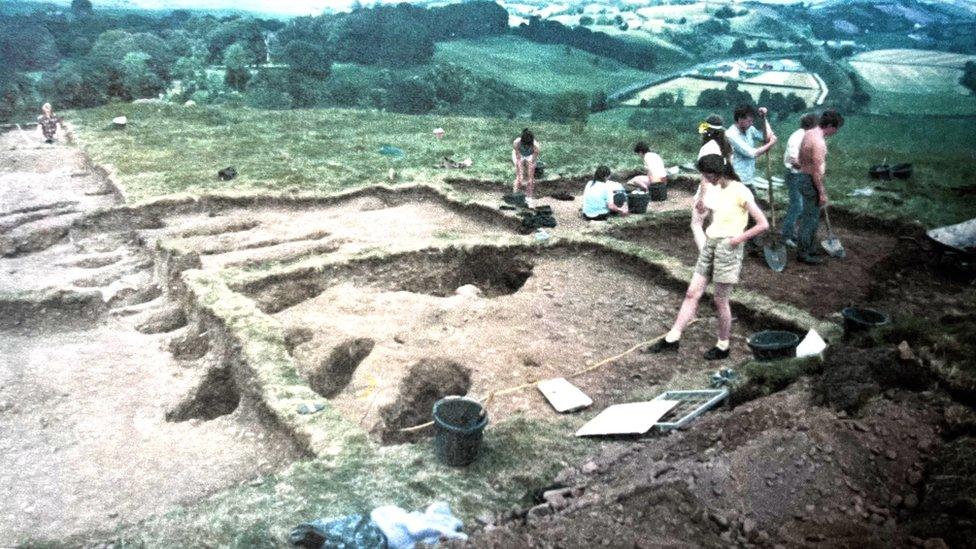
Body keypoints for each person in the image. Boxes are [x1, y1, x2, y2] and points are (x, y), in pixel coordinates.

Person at [647, 154, 769, 360]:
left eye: (707, 175)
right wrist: (704, 207)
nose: (706, 179)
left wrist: (736, 240)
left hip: (728, 248)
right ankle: (672, 338)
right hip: (711, 244)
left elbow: (762, 223)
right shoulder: (717, 189)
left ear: (718, 172)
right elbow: (719, 214)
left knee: (720, 300)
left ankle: (723, 345)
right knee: (692, 293)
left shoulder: (741, 190)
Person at [796, 109, 844, 265]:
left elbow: (800, 158)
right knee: (809, 219)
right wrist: (821, 192)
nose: (835, 132)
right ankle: (803, 253)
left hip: (804, 177)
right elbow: (816, 172)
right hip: (810, 181)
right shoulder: (819, 142)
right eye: (835, 128)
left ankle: (810, 247)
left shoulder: (809, 133)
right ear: (829, 125)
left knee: (813, 217)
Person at [692, 114, 738, 251]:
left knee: (696, 224)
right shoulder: (726, 147)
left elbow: (705, 176)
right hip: (721, 189)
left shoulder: (707, 148)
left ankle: (705, 257)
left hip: (710, 190)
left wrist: (701, 197)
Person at [780, 113, 819, 248]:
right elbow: (794, 160)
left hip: (802, 175)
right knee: (797, 206)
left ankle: (792, 232)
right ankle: (786, 235)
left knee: (802, 207)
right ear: (812, 126)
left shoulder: (807, 136)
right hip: (795, 175)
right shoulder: (797, 137)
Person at [727, 104, 777, 196]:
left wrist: (764, 118)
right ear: (740, 119)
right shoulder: (731, 134)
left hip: (748, 180)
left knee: (752, 208)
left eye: (752, 121)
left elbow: (766, 137)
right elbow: (752, 153)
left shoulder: (750, 129)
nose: (751, 123)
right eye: (749, 121)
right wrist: (771, 144)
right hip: (737, 180)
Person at [512, 128, 540, 205]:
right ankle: (515, 196)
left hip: (530, 155)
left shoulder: (536, 146)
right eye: (525, 145)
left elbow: (532, 161)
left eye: (528, 145)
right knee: (519, 177)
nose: (527, 146)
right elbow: (518, 158)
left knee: (530, 178)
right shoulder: (516, 143)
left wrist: (529, 176)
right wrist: (521, 175)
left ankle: (529, 197)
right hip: (519, 154)